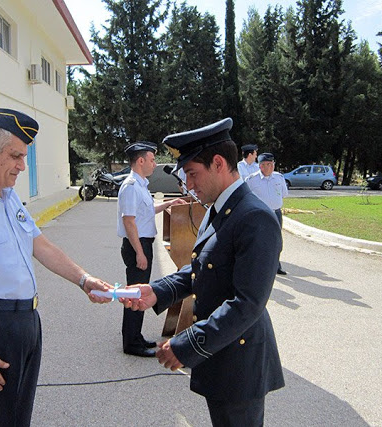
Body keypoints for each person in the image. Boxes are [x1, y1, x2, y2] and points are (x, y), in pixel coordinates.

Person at [0, 108, 112, 426]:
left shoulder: (8, 197)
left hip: (26, 324)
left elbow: (39, 245)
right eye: (16, 156)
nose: (22, 166)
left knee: (16, 417)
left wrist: (84, 280)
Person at [120, 118, 284, 427]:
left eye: (193, 174)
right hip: (221, 349)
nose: (189, 185)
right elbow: (199, 269)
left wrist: (186, 344)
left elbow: (247, 303)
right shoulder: (218, 208)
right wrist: (157, 291)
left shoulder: (255, 218)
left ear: (219, 163)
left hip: (240, 361)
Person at [118, 141, 185, 357]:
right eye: (152, 159)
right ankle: (131, 344)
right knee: (136, 293)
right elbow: (129, 221)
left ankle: (135, 336)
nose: (155, 164)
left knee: (139, 292)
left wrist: (168, 204)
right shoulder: (130, 186)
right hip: (137, 244)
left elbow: (144, 213)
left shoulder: (141, 185)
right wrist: (139, 252)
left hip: (143, 243)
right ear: (140, 161)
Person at [246, 152, 289, 275]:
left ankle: (276, 265)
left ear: (274, 165)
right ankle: (257, 265)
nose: (268, 167)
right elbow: (245, 196)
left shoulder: (279, 178)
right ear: (259, 166)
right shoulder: (251, 180)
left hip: (276, 213)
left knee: (277, 240)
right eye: (264, 164)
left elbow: (284, 194)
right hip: (260, 214)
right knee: (258, 240)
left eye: (270, 164)